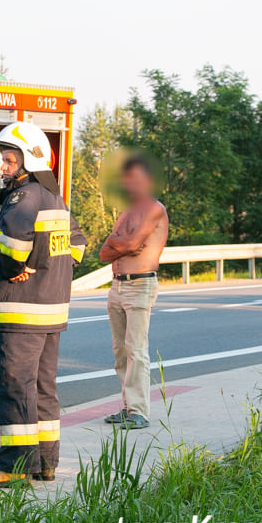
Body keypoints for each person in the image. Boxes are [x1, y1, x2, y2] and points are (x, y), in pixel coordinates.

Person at [0, 122, 87, 486]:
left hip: (20, 313)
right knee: (42, 389)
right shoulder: (54, 198)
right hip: (49, 313)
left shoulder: (23, 198)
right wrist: (46, 268)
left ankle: (14, 468)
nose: (4, 167)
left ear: (30, 160)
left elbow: (13, 244)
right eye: (5, 159)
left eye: (10, 160)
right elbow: (78, 246)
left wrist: (18, 267)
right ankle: (45, 463)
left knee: (14, 387)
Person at [99, 154, 169, 430]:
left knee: (136, 350)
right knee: (120, 350)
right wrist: (122, 242)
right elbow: (105, 251)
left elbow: (133, 243)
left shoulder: (154, 209)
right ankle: (128, 407)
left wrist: (123, 242)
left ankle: (139, 411)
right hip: (117, 285)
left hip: (140, 284)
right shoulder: (127, 211)